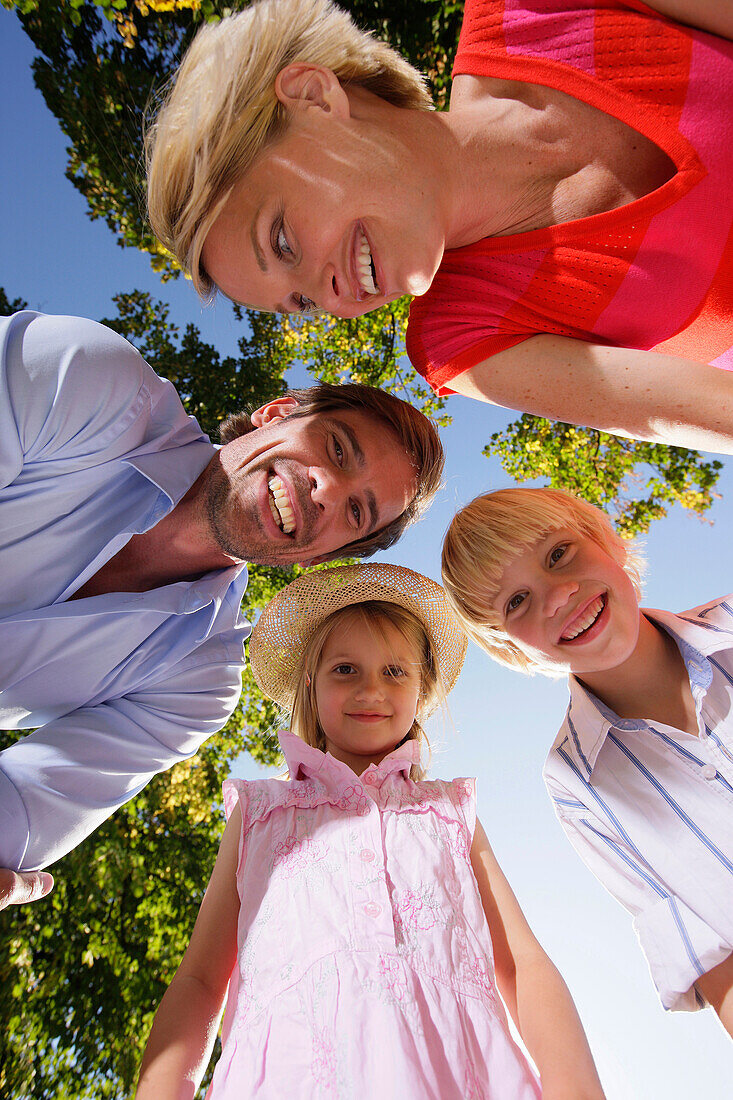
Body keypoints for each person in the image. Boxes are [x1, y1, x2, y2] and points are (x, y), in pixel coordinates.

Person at [146, 0, 733, 454]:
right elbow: (703, 414)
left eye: (282, 240)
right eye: (300, 302)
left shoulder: (531, 13)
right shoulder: (463, 340)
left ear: (314, 97)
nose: (327, 296)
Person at [136, 562, 605, 1098]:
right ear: (309, 685)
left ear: (421, 688)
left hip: (454, 1069)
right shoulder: (260, 811)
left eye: (394, 672)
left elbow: (521, 963)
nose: (370, 690)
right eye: (345, 670)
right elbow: (199, 981)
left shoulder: (448, 813)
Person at [0, 310, 442, 875]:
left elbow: (23, 813)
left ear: (318, 559)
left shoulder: (196, 686)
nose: (326, 489)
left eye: (355, 512)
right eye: (336, 448)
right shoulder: (90, 381)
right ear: (275, 414)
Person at [441, 487, 733, 1037]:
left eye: (558, 554)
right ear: (510, 647)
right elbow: (716, 967)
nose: (556, 596)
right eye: (517, 603)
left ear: (606, 540)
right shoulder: (577, 785)